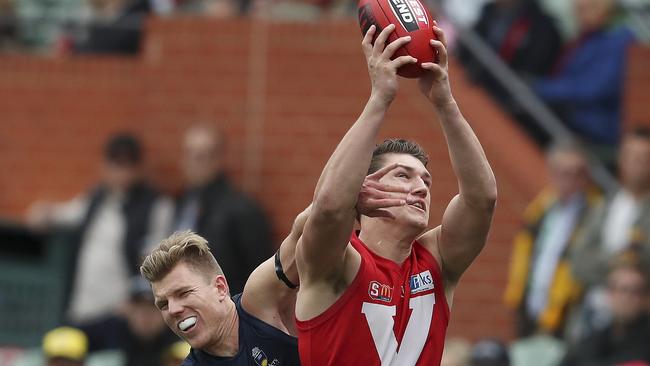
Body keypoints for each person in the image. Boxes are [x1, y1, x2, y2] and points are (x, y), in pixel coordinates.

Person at [294, 22, 497, 366]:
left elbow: (483, 199)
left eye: (426, 181)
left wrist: (445, 103)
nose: (419, 187)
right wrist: (380, 98)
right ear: (363, 191)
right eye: (403, 175)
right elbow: (329, 207)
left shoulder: (437, 262)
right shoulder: (339, 262)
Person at [140, 171, 410, 365]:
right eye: (163, 304)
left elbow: (304, 230)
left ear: (220, 287)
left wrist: (350, 195)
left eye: (183, 293)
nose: (173, 309)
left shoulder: (260, 303)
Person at [27, 133, 173, 324]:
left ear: (138, 168)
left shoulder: (156, 205)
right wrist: (45, 213)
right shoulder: (96, 198)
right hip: (82, 308)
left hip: (120, 312)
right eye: (116, 164)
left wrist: (138, 298)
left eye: (127, 165)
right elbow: (68, 214)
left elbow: (157, 258)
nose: (121, 172)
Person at [503, 140, 601, 338]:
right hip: (530, 305)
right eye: (564, 172)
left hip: (570, 310)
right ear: (552, 174)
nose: (570, 180)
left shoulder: (596, 213)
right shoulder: (540, 210)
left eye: (577, 173)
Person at [172, 124, 274, 294]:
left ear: (218, 159)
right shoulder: (181, 201)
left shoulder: (241, 209)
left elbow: (259, 269)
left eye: (201, 157)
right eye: (189, 155)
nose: (193, 164)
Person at [571, 127, 650, 336]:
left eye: (644, 158)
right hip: (593, 310)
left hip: (640, 319)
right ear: (621, 160)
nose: (637, 163)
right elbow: (579, 262)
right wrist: (617, 264)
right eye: (631, 156)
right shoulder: (603, 206)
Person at [532, 0, 636, 157]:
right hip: (572, 124)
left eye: (589, 4)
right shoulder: (582, 41)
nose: (581, 7)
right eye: (578, 4)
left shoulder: (621, 40)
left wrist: (540, 88)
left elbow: (594, 89)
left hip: (596, 132)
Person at [560, 251, 650, 366]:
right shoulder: (589, 343)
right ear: (609, 293)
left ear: (646, 297)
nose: (626, 298)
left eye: (635, 291)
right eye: (622, 290)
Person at [78, 276, 178, 366]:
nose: (146, 315)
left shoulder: (180, 334)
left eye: (153, 307)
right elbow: (71, 332)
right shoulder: (109, 330)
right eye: (139, 307)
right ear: (126, 309)